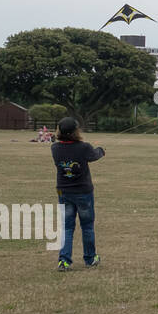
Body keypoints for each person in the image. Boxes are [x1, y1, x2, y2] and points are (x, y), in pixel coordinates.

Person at [50, 116, 105, 271]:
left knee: (67, 227)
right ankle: (90, 258)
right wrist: (101, 150)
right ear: (76, 131)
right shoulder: (84, 147)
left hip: (64, 191)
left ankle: (64, 260)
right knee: (87, 226)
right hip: (83, 192)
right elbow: (94, 155)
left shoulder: (55, 148)